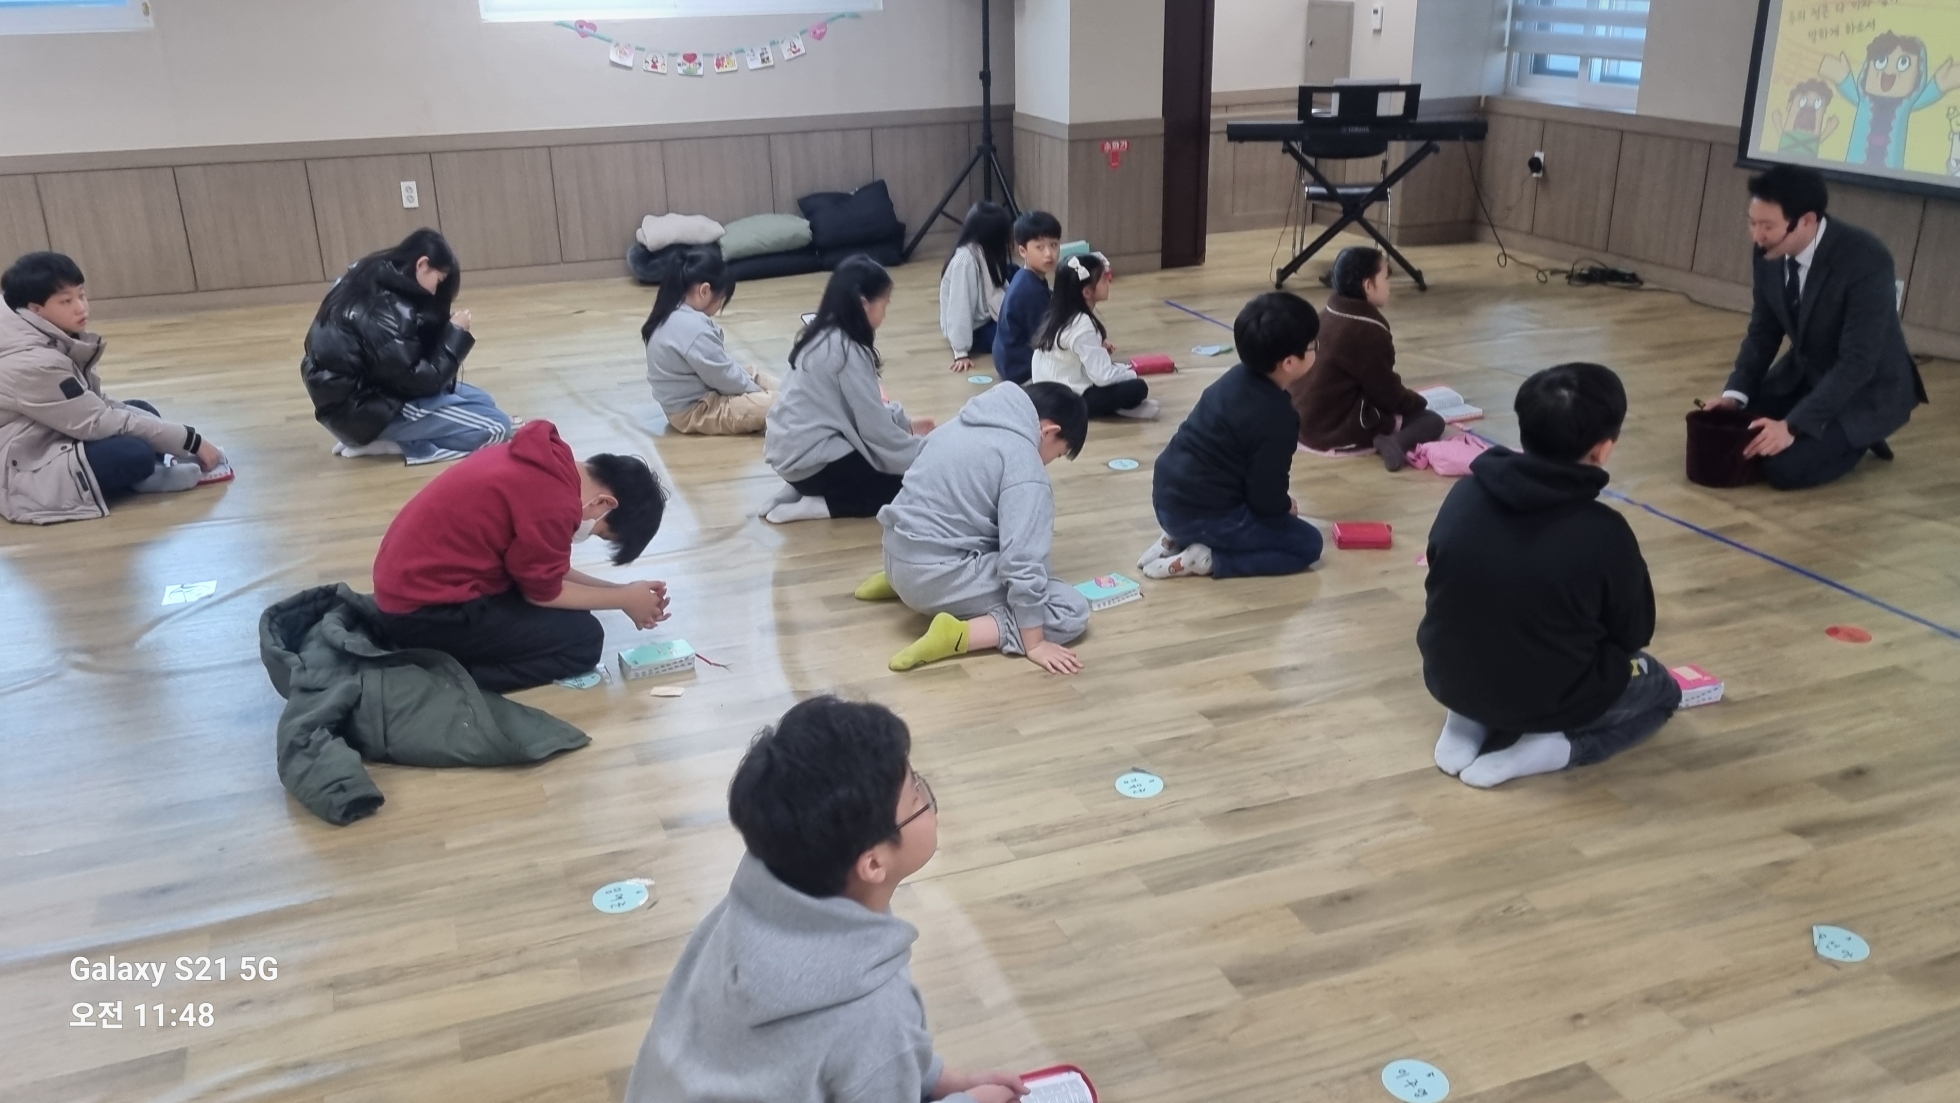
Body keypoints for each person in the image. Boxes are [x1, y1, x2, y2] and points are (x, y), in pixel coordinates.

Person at [623, 696, 1029, 1103]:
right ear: (873, 863)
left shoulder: (756, 896)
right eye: (916, 796)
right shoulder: (876, 1013)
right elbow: (873, 1053)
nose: (927, 798)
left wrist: (940, 1079)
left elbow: (861, 1064)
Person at [1420, 363, 1680, 789]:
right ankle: (1559, 747)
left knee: (1496, 634)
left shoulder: (1465, 492)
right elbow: (1634, 633)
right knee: (1664, 690)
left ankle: (1468, 719)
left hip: (1450, 675)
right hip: (1549, 697)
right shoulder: (1606, 533)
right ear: (1603, 450)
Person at [369, 419, 668, 693]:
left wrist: (623, 592)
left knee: (572, 614)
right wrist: (623, 598)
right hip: (423, 614)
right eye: (601, 532)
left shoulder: (549, 464)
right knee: (583, 641)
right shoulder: (553, 505)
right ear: (604, 503)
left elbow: (547, 570)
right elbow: (543, 593)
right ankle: (449, 678)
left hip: (409, 590)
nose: (588, 533)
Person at [1705, 164, 1926, 490]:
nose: (1757, 236)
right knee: (1731, 432)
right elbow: (1763, 331)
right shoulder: (1767, 250)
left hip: (1865, 388)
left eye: (1767, 226)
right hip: (1806, 374)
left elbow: (1858, 362)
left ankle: (1860, 434)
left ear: (1807, 220)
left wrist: (1792, 426)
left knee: (1783, 470)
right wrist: (1734, 395)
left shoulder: (1866, 259)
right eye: (1752, 223)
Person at [856, 381, 1092, 674]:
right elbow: (1022, 561)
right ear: (1049, 431)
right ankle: (958, 635)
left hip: (894, 555)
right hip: (930, 580)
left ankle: (898, 581)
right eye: (1056, 454)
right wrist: (1035, 643)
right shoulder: (1024, 463)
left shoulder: (958, 424)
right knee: (1069, 607)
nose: (1048, 463)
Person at [1, 252, 229, 525]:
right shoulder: (31, 362)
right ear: (35, 309)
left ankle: (147, 474)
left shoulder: (36, 330)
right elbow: (96, 421)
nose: (81, 307)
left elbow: (92, 402)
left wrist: (179, 438)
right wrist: (191, 441)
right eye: (66, 301)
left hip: (52, 431)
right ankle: (142, 474)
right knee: (133, 453)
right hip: (24, 465)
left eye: (81, 295)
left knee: (142, 409)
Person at [1139, 292, 1324, 580]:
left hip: (1167, 498)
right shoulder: (1277, 417)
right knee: (1308, 544)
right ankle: (1208, 559)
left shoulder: (1235, 377)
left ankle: (1176, 538)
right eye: (1313, 345)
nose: (1317, 349)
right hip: (1201, 515)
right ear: (1289, 362)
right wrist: (1284, 506)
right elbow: (1265, 498)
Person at [302, 228, 514, 465]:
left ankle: (378, 438)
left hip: (364, 401)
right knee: (498, 429)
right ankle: (388, 444)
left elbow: (402, 360)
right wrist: (455, 334)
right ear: (422, 264)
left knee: (485, 401)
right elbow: (421, 382)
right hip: (368, 413)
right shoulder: (385, 309)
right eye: (439, 280)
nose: (436, 290)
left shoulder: (370, 277)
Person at [763, 258, 933, 523]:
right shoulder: (846, 350)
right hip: (812, 462)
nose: (885, 314)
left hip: (789, 455)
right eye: (884, 304)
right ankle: (819, 504)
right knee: (902, 487)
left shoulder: (819, 333)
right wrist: (925, 452)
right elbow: (874, 429)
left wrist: (905, 423)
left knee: (880, 465)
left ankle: (799, 490)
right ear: (864, 304)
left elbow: (855, 411)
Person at [1289, 246, 1443, 469]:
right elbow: (1386, 393)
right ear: (1368, 285)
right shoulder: (1367, 330)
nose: (1390, 285)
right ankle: (1395, 443)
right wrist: (1417, 402)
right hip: (1330, 430)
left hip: (1299, 421)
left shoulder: (1327, 313)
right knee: (1432, 421)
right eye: (1386, 277)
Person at [644, 247, 774, 435]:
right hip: (695, 411)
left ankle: (799, 393)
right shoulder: (693, 328)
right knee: (777, 405)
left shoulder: (671, 310)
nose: (718, 309)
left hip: (697, 396)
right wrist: (759, 394)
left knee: (753, 374)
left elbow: (721, 369)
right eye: (720, 300)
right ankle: (800, 402)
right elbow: (723, 377)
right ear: (704, 291)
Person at [1031, 251, 1159, 420]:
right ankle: (1116, 409)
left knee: (1122, 380)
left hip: (1047, 393)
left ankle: (1119, 407)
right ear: (1087, 292)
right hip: (1065, 400)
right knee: (1138, 387)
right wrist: (1131, 373)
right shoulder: (1082, 324)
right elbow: (1102, 377)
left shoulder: (1059, 313)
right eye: (1104, 280)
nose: (1109, 282)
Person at [939, 202, 1015, 374]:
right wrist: (961, 352)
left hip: (987, 318)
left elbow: (1001, 286)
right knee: (1017, 336)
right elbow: (959, 308)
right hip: (976, 329)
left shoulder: (986, 251)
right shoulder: (965, 261)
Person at [991, 210, 1063, 384]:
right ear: (1023, 251)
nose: (1049, 253)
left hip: (1010, 364)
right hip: (1022, 370)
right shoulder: (1030, 291)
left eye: (1054, 245)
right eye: (1040, 247)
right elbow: (1047, 340)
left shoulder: (1026, 277)